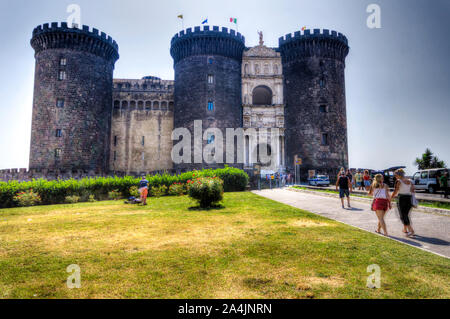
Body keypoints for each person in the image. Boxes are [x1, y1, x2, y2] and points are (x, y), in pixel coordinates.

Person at [390, 169, 415, 237]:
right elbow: (413, 190)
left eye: (395, 175)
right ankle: (405, 229)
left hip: (401, 198)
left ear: (398, 175)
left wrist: (390, 198)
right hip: (409, 198)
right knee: (406, 214)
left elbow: (395, 191)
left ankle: (411, 230)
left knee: (403, 215)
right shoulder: (410, 181)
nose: (395, 176)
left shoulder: (399, 181)